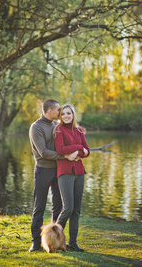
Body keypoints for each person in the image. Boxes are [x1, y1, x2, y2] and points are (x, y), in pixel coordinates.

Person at [28, 99, 64, 252]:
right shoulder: (36, 127)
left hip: (58, 170)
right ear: (49, 111)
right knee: (39, 207)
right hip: (43, 171)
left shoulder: (56, 125)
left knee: (59, 207)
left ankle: (57, 242)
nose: (60, 111)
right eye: (58, 109)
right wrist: (65, 155)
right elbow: (43, 152)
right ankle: (36, 243)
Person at [54, 104, 90, 252]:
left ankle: (72, 243)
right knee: (68, 208)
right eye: (63, 114)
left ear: (73, 114)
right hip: (65, 172)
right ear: (60, 116)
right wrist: (78, 148)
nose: (66, 116)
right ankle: (52, 237)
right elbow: (60, 149)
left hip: (79, 172)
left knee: (76, 210)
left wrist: (78, 151)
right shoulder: (59, 130)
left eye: (69, 113)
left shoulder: (79, 130)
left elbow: (87, 151)